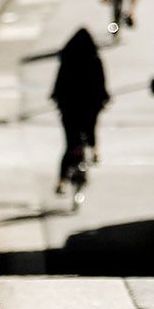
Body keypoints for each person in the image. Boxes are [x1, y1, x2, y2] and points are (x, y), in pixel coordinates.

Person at [51, 28, 108, 193]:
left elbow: (58, 87)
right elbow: (102, 86)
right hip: (89, 108)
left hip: (70, 110)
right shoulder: (95, 61)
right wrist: (104, 98)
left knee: (70, 144)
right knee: (91, 129)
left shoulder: (67, 62)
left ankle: (61, 181)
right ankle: (95, 150)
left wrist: (57, 99)